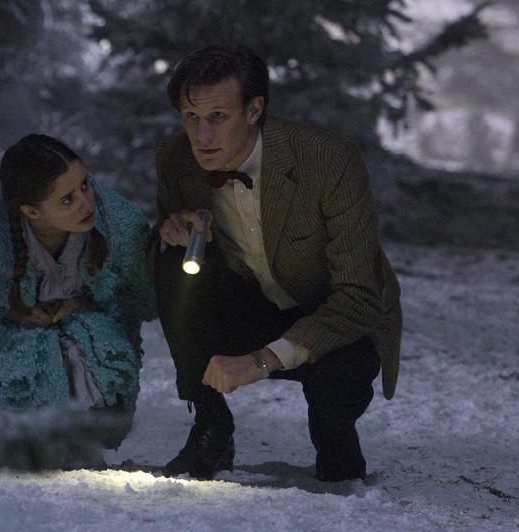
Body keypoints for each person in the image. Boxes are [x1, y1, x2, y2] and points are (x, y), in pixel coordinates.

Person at [152, 45, 403, 482]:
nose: (202, 135)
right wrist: (171, 230)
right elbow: (168, 260)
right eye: (191, 116)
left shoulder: (327, 160)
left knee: (341, 385)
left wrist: (261, 361)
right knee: (176, 265)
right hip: (251, 303)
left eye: (218, 116)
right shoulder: (176, 158)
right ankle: (211, 425)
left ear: (254, 110)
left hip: (334, 317)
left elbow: (359, 296)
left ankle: (334, 436)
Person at [0, 134, 156, 448]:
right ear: (32, 211)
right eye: (67, 200)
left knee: (82, 353)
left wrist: (82, 305)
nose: (86, 202)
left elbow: (143, 298)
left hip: (90, 336)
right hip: (14, 339)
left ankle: (91, 422)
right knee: (21, 372)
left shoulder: (118, 223)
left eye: (85, 185)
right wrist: (13, 313)